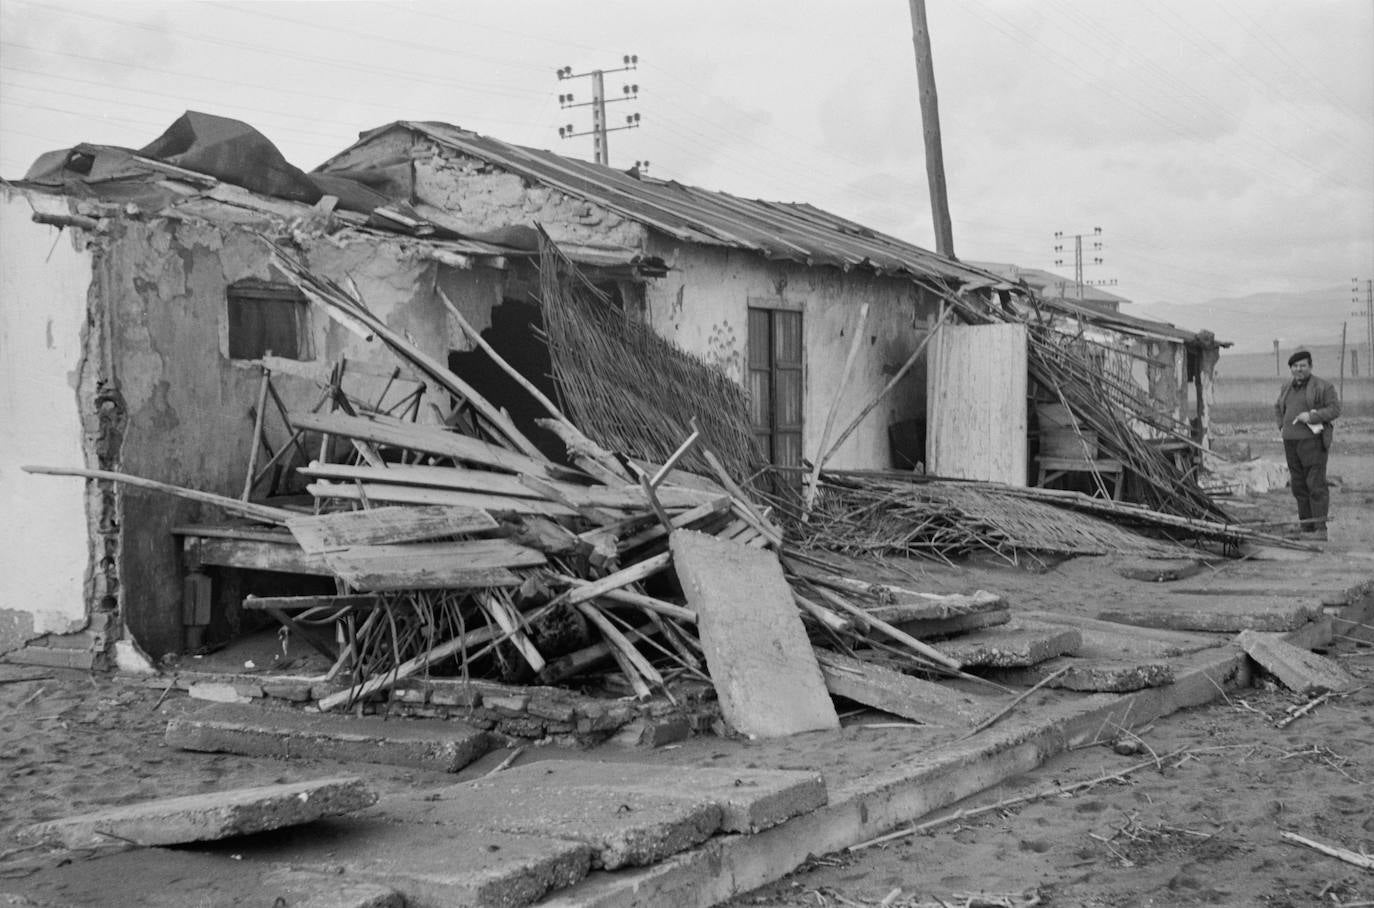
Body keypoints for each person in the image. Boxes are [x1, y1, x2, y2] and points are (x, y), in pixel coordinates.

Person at [1274, 350, 1340, 540]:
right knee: (1299, 486)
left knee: (1315, 484)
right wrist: (1282, 426)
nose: (1298, 369)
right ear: (1291, 369)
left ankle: (1320, 530)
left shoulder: (1323, 386)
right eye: (1295, 366)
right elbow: (1277, 407)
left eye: (1302, 365)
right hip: (1291, 442)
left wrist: (1311, 417)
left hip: (1313, 441)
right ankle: (1306, 527)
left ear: (1310, 366)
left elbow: (1335, 409)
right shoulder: (1287, 386)